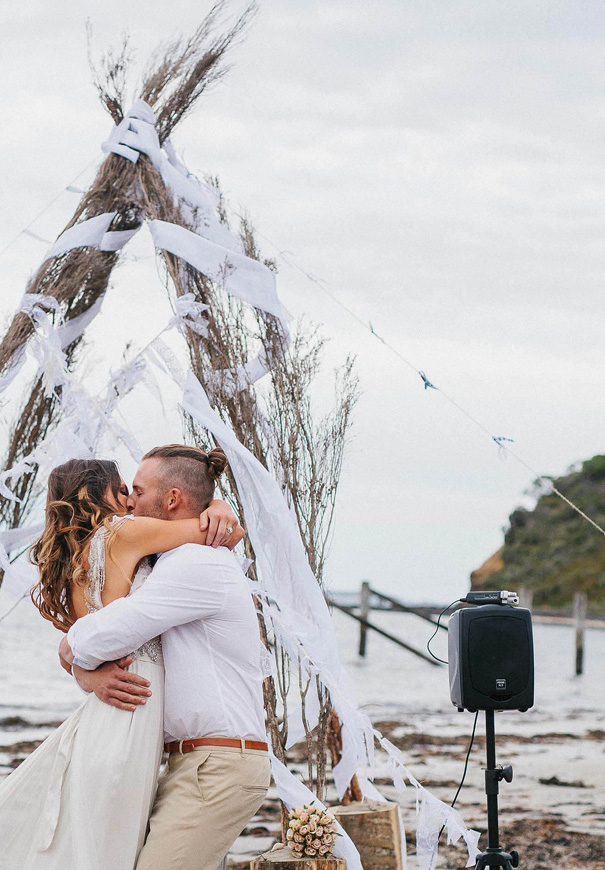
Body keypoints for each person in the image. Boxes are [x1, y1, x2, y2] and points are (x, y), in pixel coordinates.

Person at [0, 451, 243, 870]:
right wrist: (219, 507)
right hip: (132, 710)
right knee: (112, 846)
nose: (131, 501)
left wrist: (82, 672)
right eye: (124, 491)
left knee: (89, 840)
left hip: (105, 710)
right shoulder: (124, 533)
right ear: (101, 494)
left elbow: (78, 646)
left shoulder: (75, 557)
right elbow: (219, 532)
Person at [59, 443, 271, 870]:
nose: (129, 501)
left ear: (172, 499)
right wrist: (85, 674)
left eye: (137, 490)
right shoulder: (165, 560)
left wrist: (70, 649)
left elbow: (117, 630)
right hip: (191, 762)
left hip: (218, 765)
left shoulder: (196, 563)